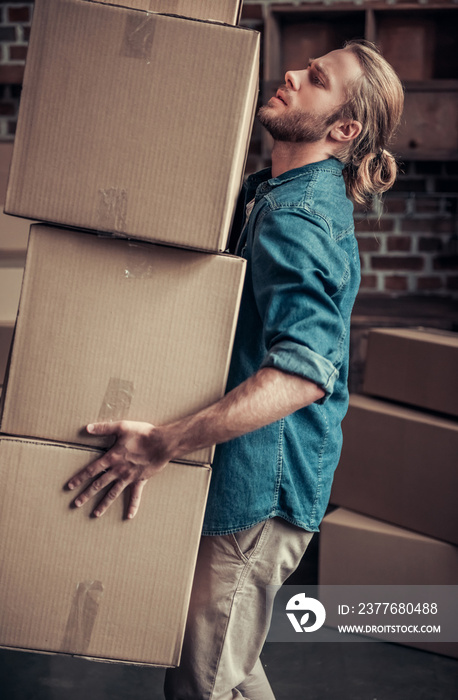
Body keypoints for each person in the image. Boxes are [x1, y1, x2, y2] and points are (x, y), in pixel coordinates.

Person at [67, 40, 404, 699]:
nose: (292, 75)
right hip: (251, 482)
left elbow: (305, 373)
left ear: (344, 128)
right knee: (230, 671)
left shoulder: (296, 217)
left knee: (199, 682)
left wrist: (163, 444)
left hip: (264, 493)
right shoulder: (272, 194)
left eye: (316, 79)